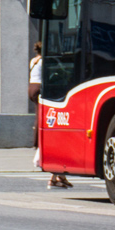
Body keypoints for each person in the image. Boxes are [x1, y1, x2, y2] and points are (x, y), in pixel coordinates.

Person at [30, 42, 70, 189]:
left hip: (31, 87)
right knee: (44, 117)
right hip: (40, 87)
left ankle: (58, 177)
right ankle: (38, 142)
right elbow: (54, 74)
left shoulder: (33, 60)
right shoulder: (43, 60)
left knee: (39, 115)